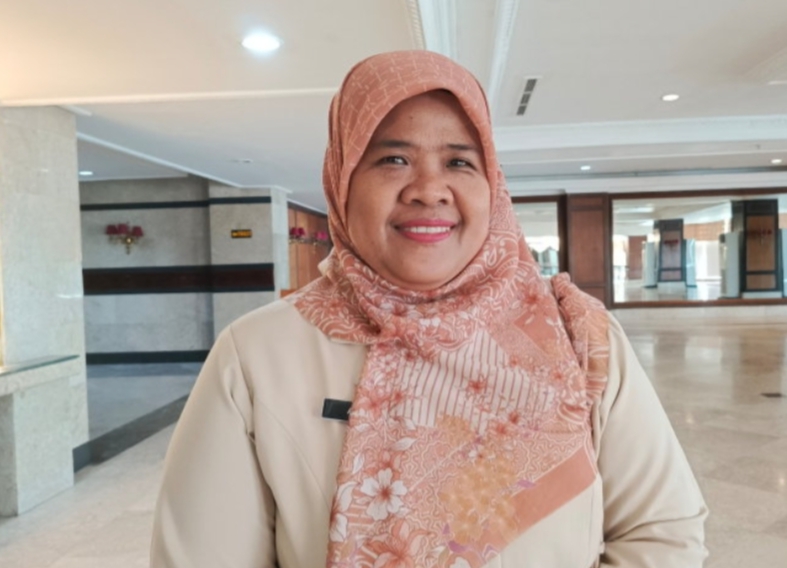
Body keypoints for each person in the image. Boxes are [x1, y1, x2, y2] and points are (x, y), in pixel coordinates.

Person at [150, 50, 707, 568]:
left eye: (459, 162)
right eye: (393, 158)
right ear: (342, 182)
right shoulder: (257, 353)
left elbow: (662, 532)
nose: (429, 189)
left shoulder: (580, 334)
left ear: (492, 185)